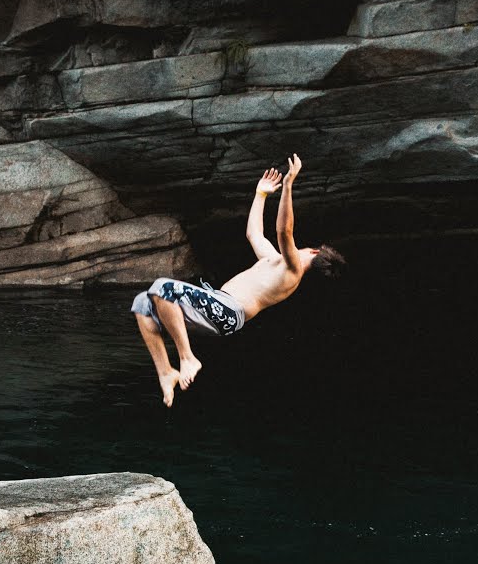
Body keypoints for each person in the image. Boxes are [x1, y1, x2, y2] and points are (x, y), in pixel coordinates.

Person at [131, 154, 346, 407]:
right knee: (143, 304)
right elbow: (254, 233)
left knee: (163, 287)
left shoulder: (294, 269)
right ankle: (166, 372)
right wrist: (261, 194)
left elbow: (283, 230)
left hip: (228, 311)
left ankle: (188, 357)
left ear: (314, 253)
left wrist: (288, 185)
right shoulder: (276, 263)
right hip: (221, 309)